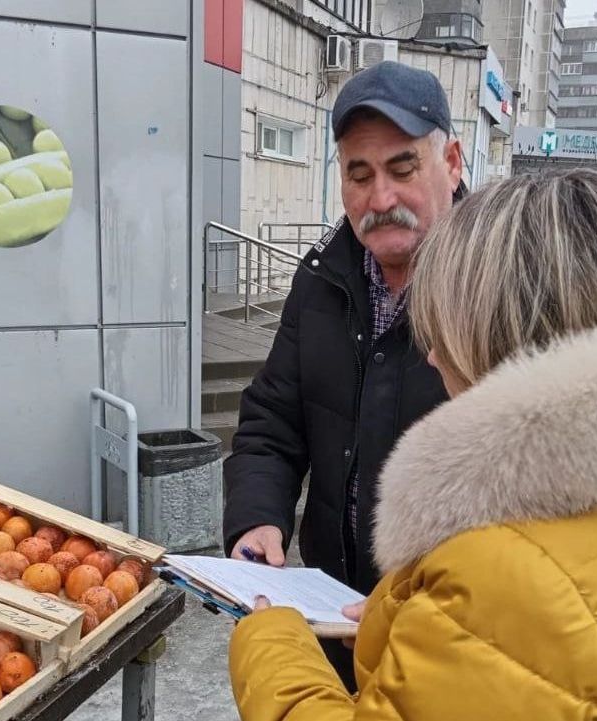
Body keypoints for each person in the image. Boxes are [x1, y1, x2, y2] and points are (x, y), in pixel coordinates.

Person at [229, 170, 597, 720]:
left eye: (446, 326)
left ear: (500, 329)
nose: (431, 357)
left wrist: (272, 645)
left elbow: (520, 620)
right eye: (355, 171)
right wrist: (417, 632)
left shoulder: (504, 584)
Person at [222, 61, 462, 689]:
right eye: (359, 175)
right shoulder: (322, 278)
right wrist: (257, 519)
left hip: (449, 636)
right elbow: (272, 421)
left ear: (453, 162)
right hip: (328, 615)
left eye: (402, 168)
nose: (380, 200)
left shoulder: (495, 285)